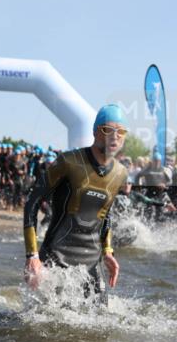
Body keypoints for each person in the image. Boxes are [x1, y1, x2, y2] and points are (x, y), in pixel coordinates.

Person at [23, 104, 128, 299]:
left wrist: (108, 251)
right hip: (56, 259)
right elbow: (32, 202)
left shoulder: (120, 173)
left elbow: (106, 215)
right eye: (107, 130)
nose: (115, 136)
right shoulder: (69, 162)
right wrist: (32, 256)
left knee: (101, 323)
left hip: (91, 264)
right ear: (95, 132)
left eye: (121, 131)